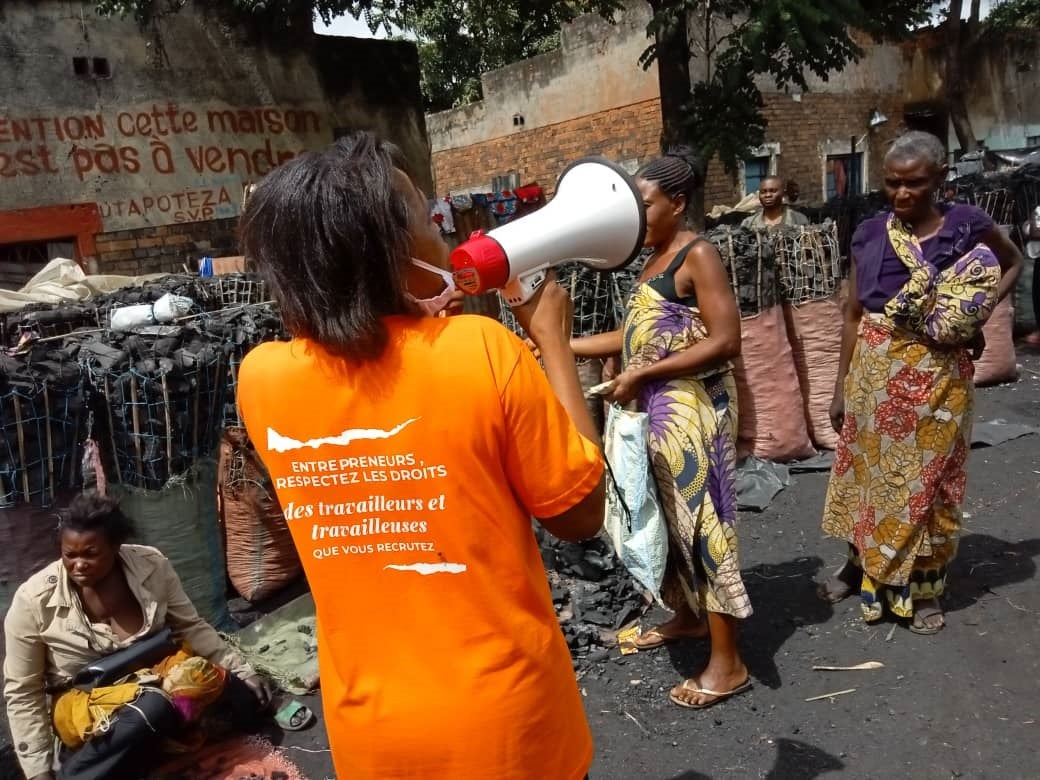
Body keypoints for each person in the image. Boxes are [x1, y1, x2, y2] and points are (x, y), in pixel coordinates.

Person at [235, 131, 605, 778]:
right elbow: (580, 514)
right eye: (430, 220)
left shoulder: (259, 379)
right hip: (507, 728)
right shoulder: (482, 349)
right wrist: (553, 343)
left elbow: (354, 365)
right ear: (390, 253)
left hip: (369, 735)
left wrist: (419, 322)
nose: (446, 235)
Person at [818, 131, 1023, 634]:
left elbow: (1012, 262)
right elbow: (853, 314)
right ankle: (858, 566)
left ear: (940, 180)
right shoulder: (868, 233)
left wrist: (975, 313)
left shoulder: (966, 226)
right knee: (867, 479)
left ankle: (924, 589)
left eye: (915, 183)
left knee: (927, 486)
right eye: (893, 183)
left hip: (938, 377)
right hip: (873, 373)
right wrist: (840, 387)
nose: (902, 193)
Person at [572, 148, 752, 710]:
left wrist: (643, 372)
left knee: (705, 529)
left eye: (642, 205)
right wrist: (560, 345)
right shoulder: (652, 261)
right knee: (670, 525)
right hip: (658, 412)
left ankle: (730, 665)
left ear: (676, 203)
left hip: (695, 411)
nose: (635, 218)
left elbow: (725, 340)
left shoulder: (698, 254)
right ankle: (689, 620)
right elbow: (632, 335)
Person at [3, 493, 270, 780]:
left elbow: (190, 626)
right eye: (70, 555)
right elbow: (23, 690)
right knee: (151, 708)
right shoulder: (34, 601)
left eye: (90, 554)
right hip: (87, 704)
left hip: (153, 674)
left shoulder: (151, 565)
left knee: (235, 692)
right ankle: (78, 773)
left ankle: (148, 747)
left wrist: (240, 671)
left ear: (116, 547)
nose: (78, 565)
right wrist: (37, 771)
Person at [741, 175, 810, 228]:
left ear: (783, 193)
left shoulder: (798, 220)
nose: (767, 195)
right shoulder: (748, 223)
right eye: (763, 192)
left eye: (773, 191)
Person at [1020, 204, 1040, 347]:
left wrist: (1032, 222)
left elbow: (1033, 232)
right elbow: (1026, 230)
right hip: (1037, 257)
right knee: (1037, 297)